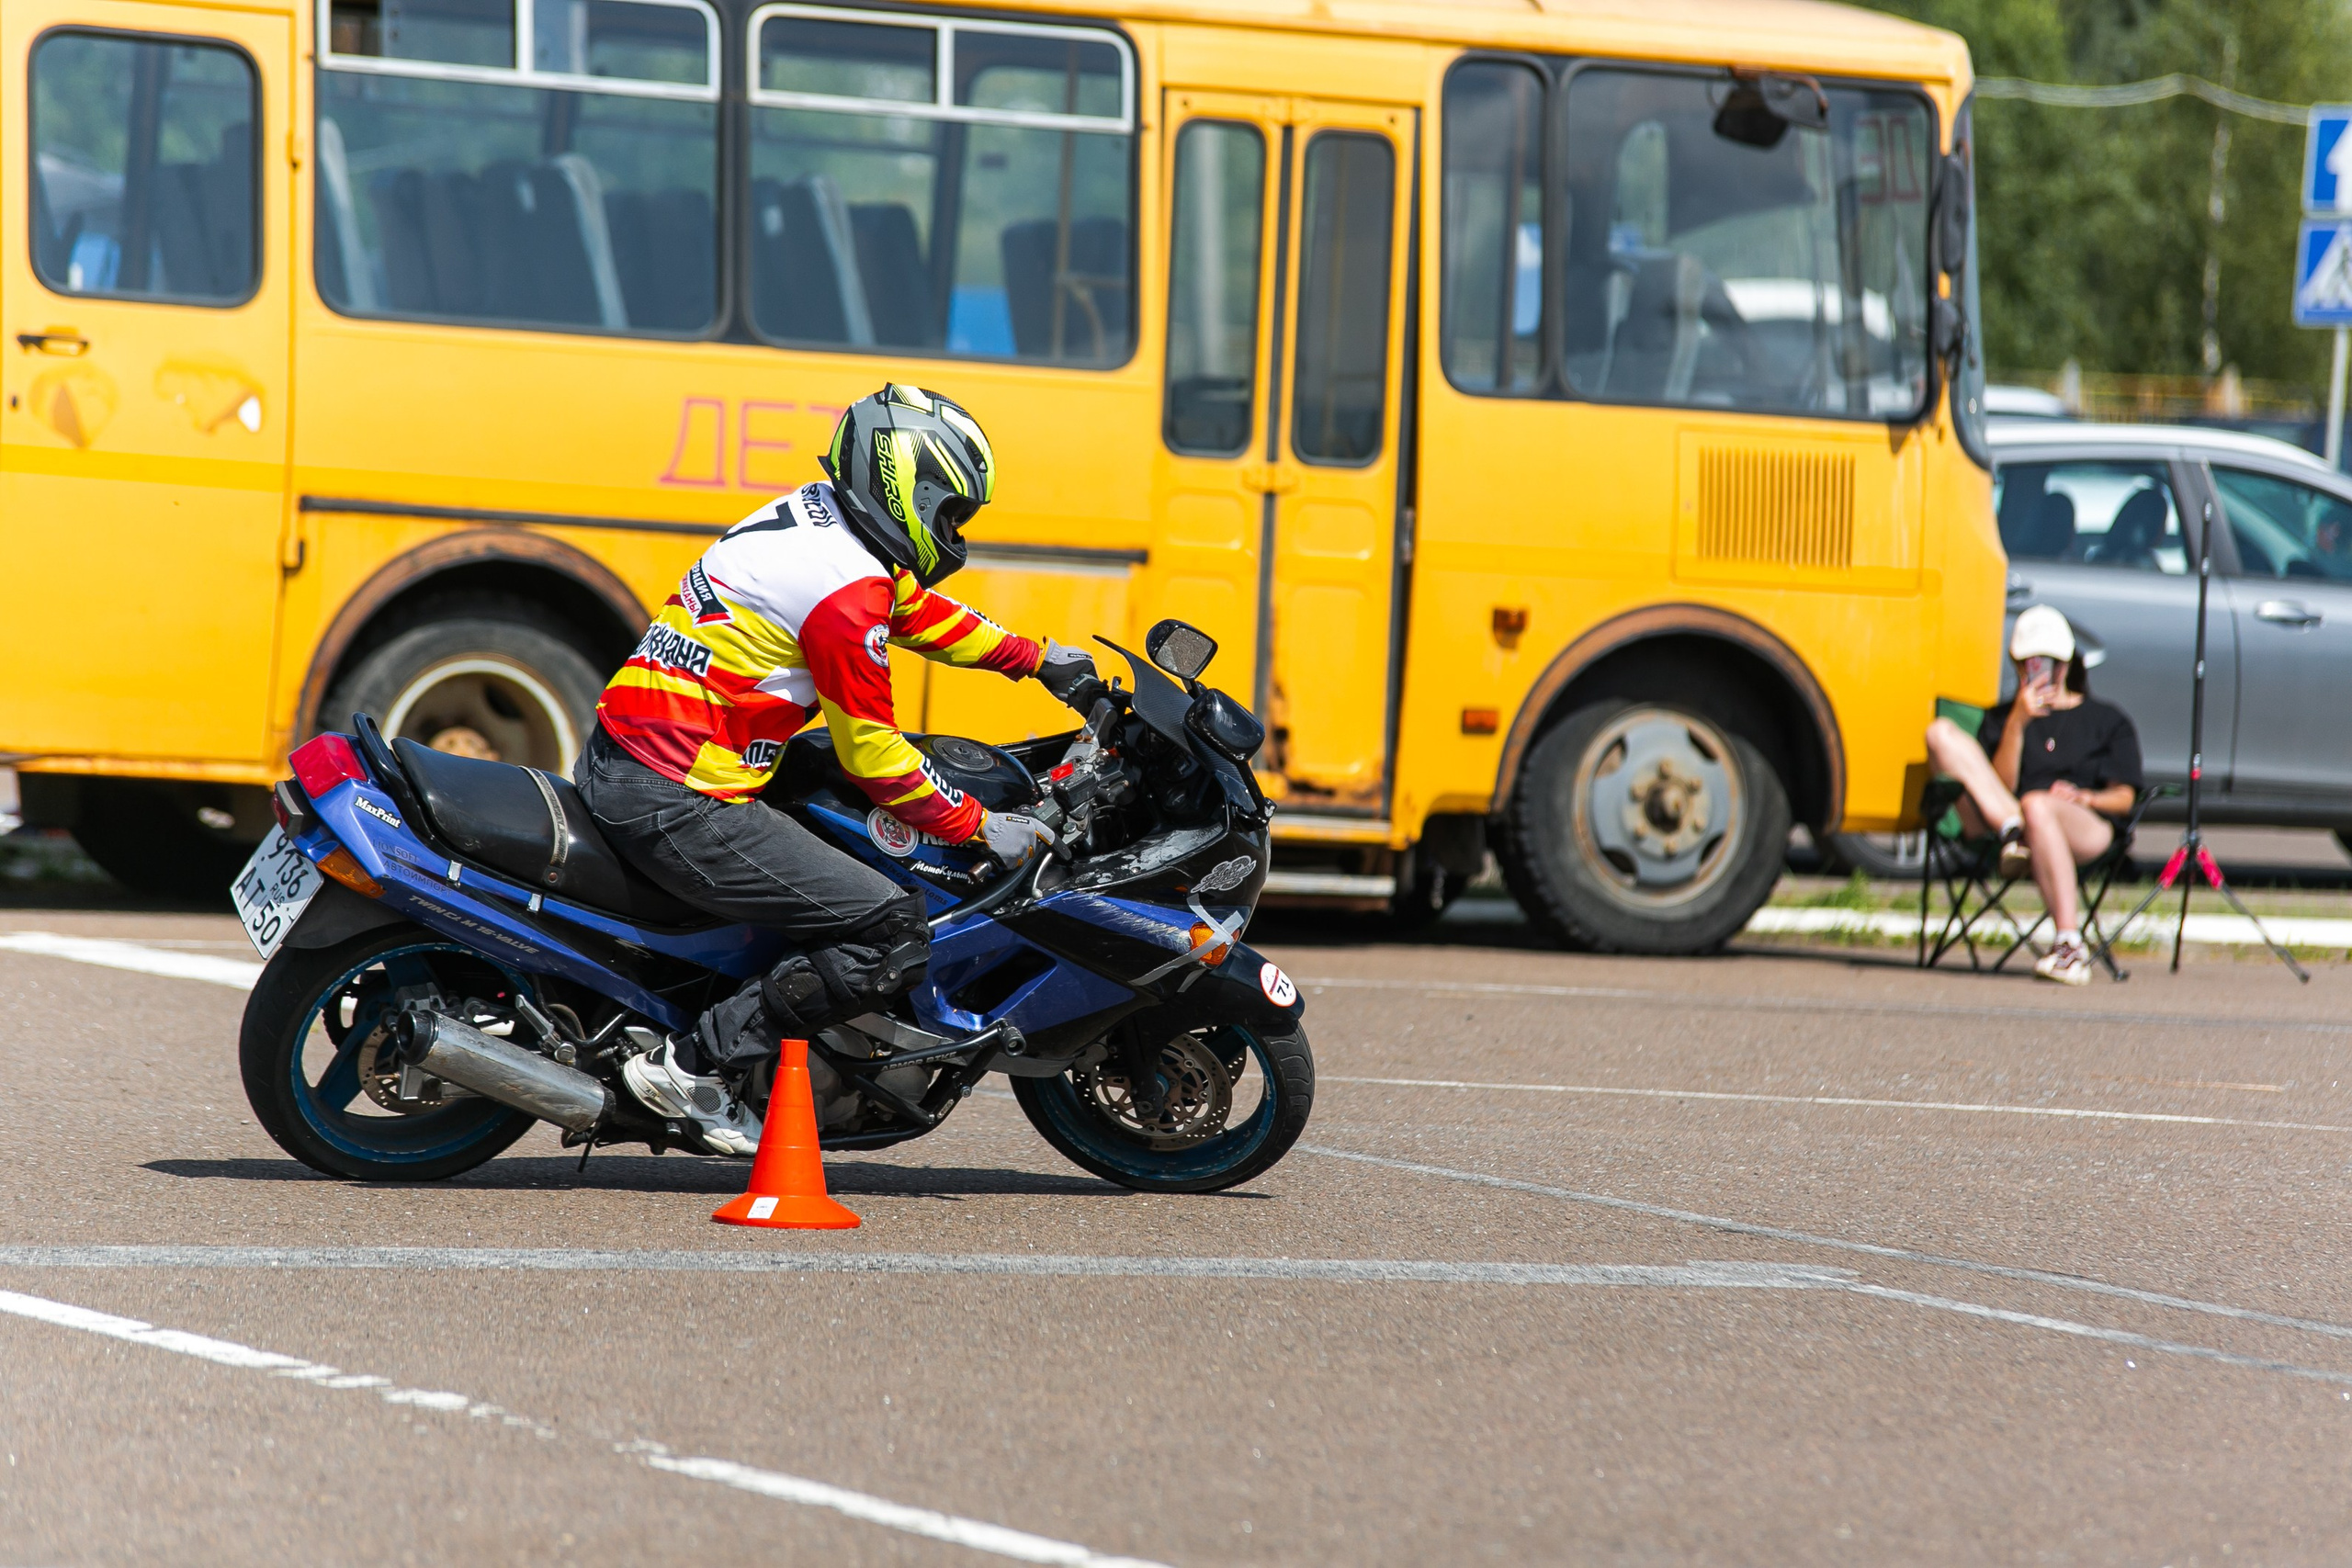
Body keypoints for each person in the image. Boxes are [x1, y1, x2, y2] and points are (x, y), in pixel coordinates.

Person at [574, 384, 1102, 1151]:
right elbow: (880, 759)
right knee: (887, 927)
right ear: (906, 487)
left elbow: (908, 607)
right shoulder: (844, 590)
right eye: (949, 512)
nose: (953, 532)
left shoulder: (821, 517)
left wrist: (1032, 657)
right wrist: (984, 826)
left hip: (639, 753)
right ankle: (696, 1067)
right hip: (677, 790)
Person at [1922, 605, 2143, 986]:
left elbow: (2124, 797)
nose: (2037, 671)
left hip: (2084, 828)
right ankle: (2011, 828)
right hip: (2006, 823)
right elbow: (1999, 786)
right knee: (1941, 733)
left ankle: (2069, 946)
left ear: (2067, 664)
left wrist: (2085, 798)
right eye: (2028, 663)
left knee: (2037, 803)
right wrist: (2017, 725)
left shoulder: (2106, 720)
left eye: (2047, 662)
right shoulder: (2004, 718)